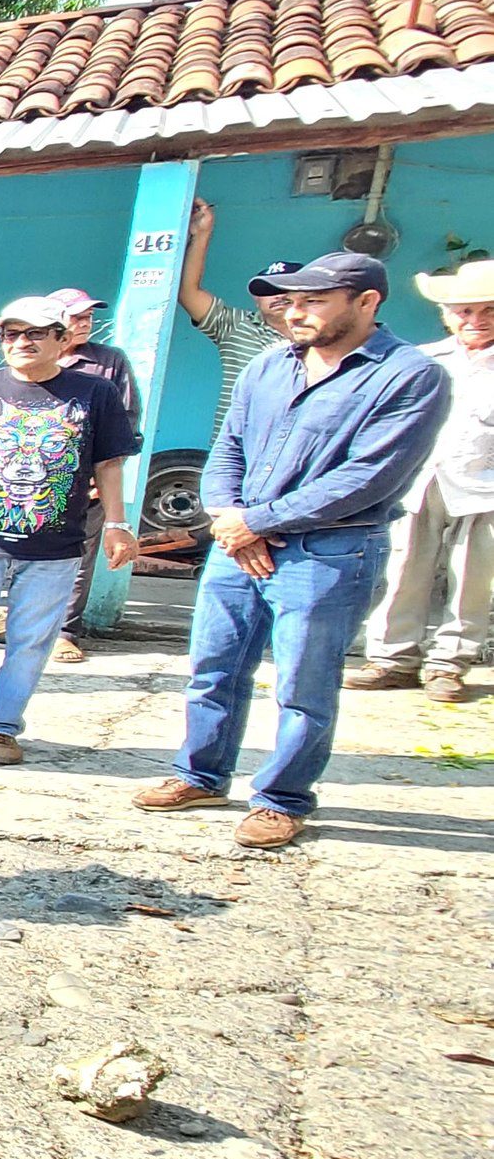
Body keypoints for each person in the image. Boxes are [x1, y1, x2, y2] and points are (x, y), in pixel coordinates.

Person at [135, 252, 451, 850]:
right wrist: (228, 517)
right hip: (237, 544)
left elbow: (371, 475)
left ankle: (281, 799)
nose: (295, 313)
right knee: (214, 668)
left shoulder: (408, 375)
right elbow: (227, 444)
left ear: (366, 302)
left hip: (329, 552)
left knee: (303, 682)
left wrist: (256, 521)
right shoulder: (268, 365)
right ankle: (200, 774)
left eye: (313, 301)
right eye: (290, 301)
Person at [0, 297, 143, 764]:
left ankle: (3, 728)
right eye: (11, 334)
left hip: (54, 547)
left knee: (30, 642)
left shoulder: (95, 393)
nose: (21, 342)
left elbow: (109, 463)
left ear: (62, 339)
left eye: (34, 333)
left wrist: (118, 524)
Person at [350, 259, 494, 702]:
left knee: (473, 577)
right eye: (464, 311)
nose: (474, 321)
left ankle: (449, 663)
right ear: (446, 313)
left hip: (485, 487)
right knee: (403, 568)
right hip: (419, 480)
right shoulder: (424, 359)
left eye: (488, 311)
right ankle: (392, 660)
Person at [43, 287, 142, 662]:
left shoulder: (109, 362)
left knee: (79, 555)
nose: (84, 322)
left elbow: (127, 424)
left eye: (89, 316)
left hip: (85, 482)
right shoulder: (32, 359)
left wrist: (103, 476)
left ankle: (65, 631)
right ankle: (23, 624)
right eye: (75, 315)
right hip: (33, 482)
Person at [177, 200, 294, 383]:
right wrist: (201, 233)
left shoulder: (326, 333)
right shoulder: (237, 325)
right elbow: (187, 293)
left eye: (288, 287)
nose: (279, 295)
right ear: (256, 299)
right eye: (268, 290)